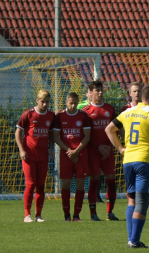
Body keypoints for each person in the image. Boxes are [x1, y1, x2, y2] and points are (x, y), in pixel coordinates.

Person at [106, 84, 149, 248]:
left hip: (128, 160)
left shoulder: (128, 112)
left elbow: (109, 129)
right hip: (145, 160)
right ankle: (134, 240)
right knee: (142, 202)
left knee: (131, 201)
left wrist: (120, 148)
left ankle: (131, 238)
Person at [118, 81, 149, 220]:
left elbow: (109, 129)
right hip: (141, 154)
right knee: (137, 199)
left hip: (130, 158)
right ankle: (134, 238)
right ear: (130, 93)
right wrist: (121, 147)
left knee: (141, 193)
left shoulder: (141, 110)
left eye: (139, 91)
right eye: (134, 91)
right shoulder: (130, 110)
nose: (137, 93)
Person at [15, 90, 55, 222]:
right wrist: (21, 150)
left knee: (41, 185)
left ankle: (38, 215)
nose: (45, 104)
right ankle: (27, 215)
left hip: (43, 156)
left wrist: (50, 148)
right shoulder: (28, 114)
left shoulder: (51, 115)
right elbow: (18, 132)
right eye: (43, 101)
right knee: (30, 184)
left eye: (47, 102)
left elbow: (50, 133)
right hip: (29, 155)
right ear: (37, 100)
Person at [52, 92, 92, 221]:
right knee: (66, 183)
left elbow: (87, 136)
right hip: (66, 154)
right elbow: (55, 137)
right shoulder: (59, 116)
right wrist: (69, 150)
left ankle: (76, 215)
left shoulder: (83, 116)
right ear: (66, 102)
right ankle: (66, 215)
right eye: (71, 103)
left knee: (80, 183)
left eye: (75, 103)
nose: (74, 106)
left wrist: (76, 150)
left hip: (80, 153)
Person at [82, 80, 118, 221]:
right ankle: (93, 214)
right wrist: (98, 147)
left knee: (111, 181)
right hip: (93, 152)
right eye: (97, 90)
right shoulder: (85, 112)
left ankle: (110, 213)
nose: (100, 92)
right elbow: (85, 135)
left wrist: (110, 146)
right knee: (94, 181)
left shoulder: (109, 109)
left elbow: (114, 129)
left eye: (101, 90)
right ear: (91, 93)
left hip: (108, 152)